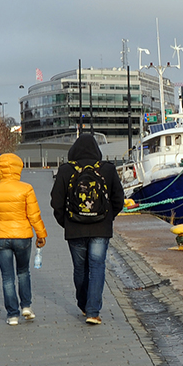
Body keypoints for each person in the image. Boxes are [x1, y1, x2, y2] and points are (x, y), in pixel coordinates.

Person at [50, 133, 125, 325]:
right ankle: (93, 312)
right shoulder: (107, 169)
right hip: (101, 227)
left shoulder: (66, 170)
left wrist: (66, 222)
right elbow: (119, 199)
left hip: (74, 228)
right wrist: (108, 217)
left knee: (80, 269)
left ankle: (83, 304)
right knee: (97, 266)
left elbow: (56, 202)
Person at [0, 153, 48, 325]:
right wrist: (41, 234)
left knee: (7, 277)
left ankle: (12, 315)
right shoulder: (26, 188)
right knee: (23, 272)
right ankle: (26, 305)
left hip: (0, 236)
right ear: (18, 168)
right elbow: (34, 215)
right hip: (22, 236)